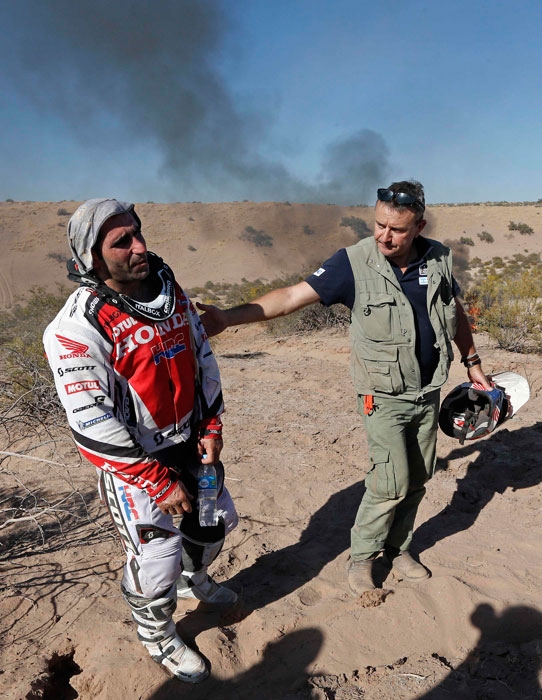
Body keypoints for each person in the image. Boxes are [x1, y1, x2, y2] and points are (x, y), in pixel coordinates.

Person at [198, 180, 491, 596]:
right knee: (390, 480)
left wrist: (473, 361)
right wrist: (228, 317)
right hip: (382, 395)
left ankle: (399, 547)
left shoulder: (438, 258)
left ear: (419, 226)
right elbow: (289, 297)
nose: (384, 236)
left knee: (419, 476)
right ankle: (363, 557)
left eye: (397, 229)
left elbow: (454, 311)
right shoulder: (352, 263)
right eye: (379, 225)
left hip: (428, 392)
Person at [43, 198, 238, 683]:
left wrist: (211, 426)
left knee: (217, 522)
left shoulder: (167, 289)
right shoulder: (76, 327)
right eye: (121, 241)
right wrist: (155, 480)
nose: (139, 246)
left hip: (190, 443)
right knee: (156, 557)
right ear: (91, 257)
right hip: (136, 463)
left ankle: (195, 582)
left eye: (138, 232)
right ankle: (156, 631)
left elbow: (201, 356)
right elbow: (90, 422)